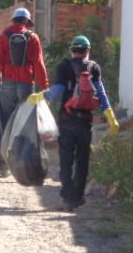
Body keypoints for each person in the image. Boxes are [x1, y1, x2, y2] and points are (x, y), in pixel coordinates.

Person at [29, 35, 119, 210]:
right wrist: (111, 116)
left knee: (66, 159)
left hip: (67, 119)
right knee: (83, 159)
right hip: (85, 121)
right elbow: (100, 93)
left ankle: (68, 196)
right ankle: (77, 197)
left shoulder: (64, 66)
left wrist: (40, 97)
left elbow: (57, 91)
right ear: (88, 51)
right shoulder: (94, 68)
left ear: (72, 50)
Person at [0, 7, 49, 130]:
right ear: (26, 22)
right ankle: (19, 148)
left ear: (13, 20)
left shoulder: (3, 36)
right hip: (26, 85)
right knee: (24, 125)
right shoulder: (33, 38)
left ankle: (4, 147)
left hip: (7, 85)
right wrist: (44, 86)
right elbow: (38, 64)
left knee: (6, 123)